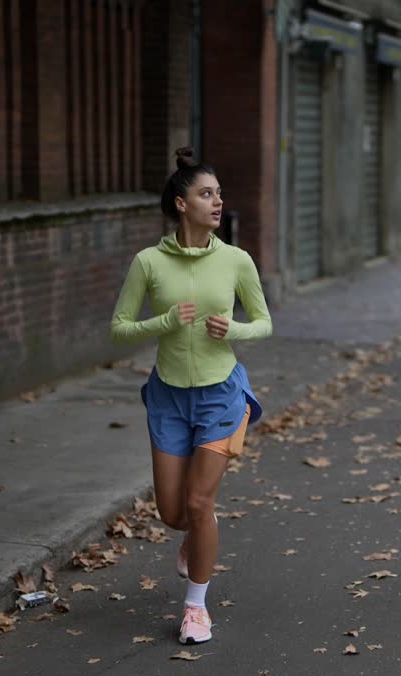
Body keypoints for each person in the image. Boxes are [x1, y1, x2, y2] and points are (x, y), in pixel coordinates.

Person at [109, 148, 272, 644]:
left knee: (200, 502)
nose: (217, 202)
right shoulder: (148, 263)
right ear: (181, 204)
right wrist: (162, 322)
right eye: (206, 194)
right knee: (173, 513)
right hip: (168, 398)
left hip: (222, 395)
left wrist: (235, 332)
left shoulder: (237, 260)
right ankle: (195, 533)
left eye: (219, 194)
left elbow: (264, 323)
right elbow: (118, 329)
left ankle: (196, 609)